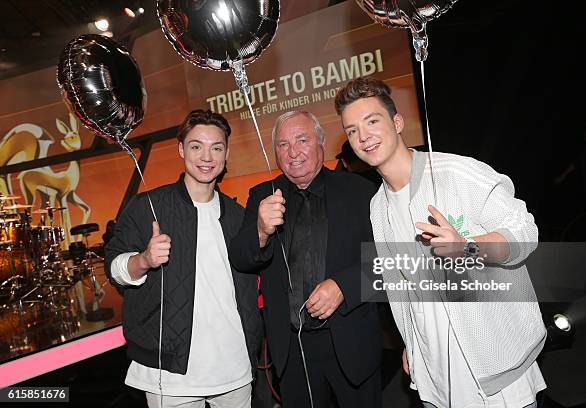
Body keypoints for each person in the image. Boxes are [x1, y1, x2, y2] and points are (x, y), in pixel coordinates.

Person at [335, 77, 547, 408]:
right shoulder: (377, 208)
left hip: (494, 367)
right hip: (435, 378)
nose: (363, 136)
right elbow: (400, 287)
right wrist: (411, 342)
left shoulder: (456, 173)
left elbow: (524, 231)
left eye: (372, 121)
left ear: (397, 122)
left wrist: (468, 247)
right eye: (351, 130)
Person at [105, 109, 263, 408]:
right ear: (181, 149)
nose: (206, 157)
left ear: (226, 153)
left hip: (235, 367)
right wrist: (144, 260)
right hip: (171, 374)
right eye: (196, 146)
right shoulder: (147, 207)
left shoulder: (239, 216)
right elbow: (113, 268)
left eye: (216, 148)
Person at [228, 110, 382, 408]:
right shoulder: (262, 195)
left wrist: (343, 286)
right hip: (292, 351)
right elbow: (241, 259)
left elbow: (387, 263)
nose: (293, 152)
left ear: (321, 144)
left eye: (302, 140)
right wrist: (260, 230)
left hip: (352, 344)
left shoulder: (360, 191)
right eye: (283, 145)